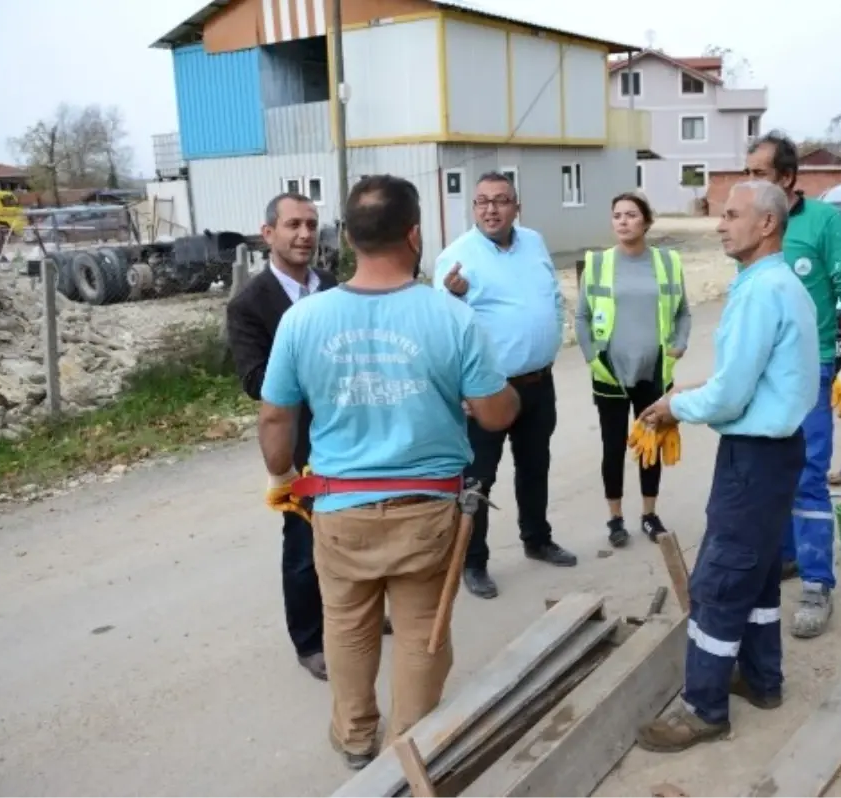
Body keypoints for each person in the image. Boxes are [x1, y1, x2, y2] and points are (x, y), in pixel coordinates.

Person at [257, 175, 520, 769]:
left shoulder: (303, 320)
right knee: (422, 631)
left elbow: (276, 416)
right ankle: (412, 747)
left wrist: (281, 480)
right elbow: (496, 413)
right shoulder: (450, 317)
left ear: (347, 237)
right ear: (415, 233)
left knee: (346, 628)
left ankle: (355, 739)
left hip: (337, 507)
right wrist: (500, 398)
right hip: (427, 510)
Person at [634, 180, 818, 753]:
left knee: (718, 582)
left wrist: (673, 406)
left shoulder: (762, 291)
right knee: (759, 573)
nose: (720, 224)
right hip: (775, 453)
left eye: (732, 215)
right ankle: (762, 680)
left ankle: (703, 707)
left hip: (754, 458)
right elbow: (744, 379)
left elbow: (732, 395)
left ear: (767, 225)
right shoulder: (780, 283)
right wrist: (696, 391)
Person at [743, 132, 841, 640]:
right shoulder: (754, 224)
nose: (751, 184)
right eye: (747, 173)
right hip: (761, 372)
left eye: (760, 174)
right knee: (767, 470)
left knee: (809, 474)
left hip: (811, 369)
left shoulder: (824, 223)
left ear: (789, 179)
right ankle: (787, 558)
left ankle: (817, 582)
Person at [434, 171, 577, 600]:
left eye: (500, 200)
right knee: (478, 479)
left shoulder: (533, 242)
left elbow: (550, 296)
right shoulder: (457, 258)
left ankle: (537, 539)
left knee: (535, 466)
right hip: (487, 391)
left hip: (538, 382)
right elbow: (444, 331)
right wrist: (456, 296)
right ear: (473, 208)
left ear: (517, 206)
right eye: (481, 202)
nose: (490, 209)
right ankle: (473, 562)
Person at [226, 192, 336, 681]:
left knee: (354, 534)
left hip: (350, 436)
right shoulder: (250, 304)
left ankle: (355, 616)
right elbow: (254, 379)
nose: (305, 235)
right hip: (301, 448)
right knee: (304, 545)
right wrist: (314, 367)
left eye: (311, 225)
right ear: (268, 233)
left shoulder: (332, 287)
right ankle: (310, 641)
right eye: (293, 225)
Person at [575, 192, 691, 547]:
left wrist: (680, 342)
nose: (623, 221)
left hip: (654, 370)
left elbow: (683, 312)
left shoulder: (668, 263)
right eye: (617, 215)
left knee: (650, 442)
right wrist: (592, 357)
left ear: (646, 221)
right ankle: (615, 519)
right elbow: (581, 316)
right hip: (610, 371)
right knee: (612, 446)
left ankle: (649, 514)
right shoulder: (596, 264)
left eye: (631, 215)